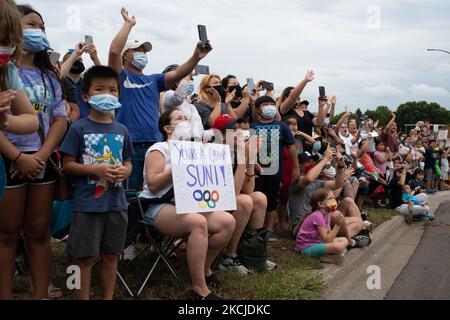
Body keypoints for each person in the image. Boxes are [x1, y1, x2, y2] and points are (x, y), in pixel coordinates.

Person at [0, 4, 67, 300]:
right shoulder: (6, 70)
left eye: (41, 27)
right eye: (30, 24)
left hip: (42, 161)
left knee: (40, 233)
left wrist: (39, 157)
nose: (37, 31)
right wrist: (16, 156)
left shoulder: (49, 75)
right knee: (7, 234)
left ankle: (40, 294)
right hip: (8, 160)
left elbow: (59, 118)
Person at [108, 7, 212, 191]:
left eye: (145, 52)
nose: (143, 55)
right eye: (138, 51)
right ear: (126, 56)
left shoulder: (154, 79)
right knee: (129, 194)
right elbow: (114, 52)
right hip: (128, 145)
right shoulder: (119, 77)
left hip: (156, 145)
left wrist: (196, 57)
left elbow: (180, 72)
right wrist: (128, 24)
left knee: (152, 192)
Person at [140, 108, 235, 300]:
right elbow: (153, 183)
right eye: (179, 118)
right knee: (198, 223)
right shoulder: (159, 148)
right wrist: (180, 162)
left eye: (186, 118)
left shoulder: (195, 149)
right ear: (168, 128)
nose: (185, 120)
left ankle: (204, 268)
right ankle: (199, 289)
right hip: (157, 205)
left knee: (227, 221)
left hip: (188, 204)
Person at [60, 66, 133, 300]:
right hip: (87, 205)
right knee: (83, 257)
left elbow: (129, 162)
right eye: (99, 89)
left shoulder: (122, 130)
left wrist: (125, 171)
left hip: (116, 204)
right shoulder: (78, 128)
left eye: (113, 90)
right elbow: (67, 165)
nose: (107, 94)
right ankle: (80, 295)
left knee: (112, 255)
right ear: (85, 95)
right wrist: (94, 169)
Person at [211, 114, 276, 274]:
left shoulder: (235, 152)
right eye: (234, 130)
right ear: (220, 135)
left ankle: (252, 254)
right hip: (212, 203)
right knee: (245, 201)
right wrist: (244, 156)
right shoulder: (215, 153)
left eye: (240, 129)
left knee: (259, 198)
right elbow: (231, 195)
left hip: (229, 199)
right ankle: (229, 256)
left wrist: (251, 159)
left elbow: (248, 189)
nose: (239, 133)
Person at [0, 0, 40, 203]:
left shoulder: (8, 72)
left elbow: (31, 121)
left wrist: (5, 122)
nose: (3, 48)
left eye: (7, 42)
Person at [252, 96, 300, 241]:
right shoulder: (252, 127)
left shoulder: (282, 126)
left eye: (272, 104)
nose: (270, 107)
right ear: (258, 109)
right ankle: (256, 227)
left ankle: (269, 229)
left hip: (274, 170)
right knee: (257, 197)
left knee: (272, 199)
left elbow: (291, 147)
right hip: (255, 171)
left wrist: (296, 167)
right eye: (266, 104)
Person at [295, 188, 348, 264]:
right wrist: (337, 226)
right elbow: (327, 240)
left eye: (333, 197)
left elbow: (330, 236)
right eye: (330, 199)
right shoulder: (317, 216)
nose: (334, 201)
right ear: (320, 204)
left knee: (344, 240)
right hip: (306, 248)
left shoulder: (327, 214)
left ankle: (327, 256)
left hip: (318, 242)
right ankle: (324, 257)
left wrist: (334, 241)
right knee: (337, 247)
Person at [161, 64, 206, 141]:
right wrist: (187, 74)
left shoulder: (191, 105)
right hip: (177, 142)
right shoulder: (168, 95)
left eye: (191, 79)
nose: (189, 82)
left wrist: (203, 138)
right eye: (183, 78)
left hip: (194, 144)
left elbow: (198, 127)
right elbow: (178, 98)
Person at [61, 41, 102, 120]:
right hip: (67, 125)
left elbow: (105, 79)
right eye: (74, 60)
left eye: (80, 59)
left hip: (87, 124)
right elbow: (58, 77)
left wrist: (94, 57)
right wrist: (75, 55)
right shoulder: (61, 83)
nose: (78, 62)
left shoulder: (88, 82)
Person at [279, 70, 326, 137]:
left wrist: (321, 106)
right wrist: (305, 81)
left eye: (298, 94)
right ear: (286, 97)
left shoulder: (306, 113)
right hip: (292, 146)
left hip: (308, 146)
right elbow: (292, 98)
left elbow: (319, 123)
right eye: (295, 93)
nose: (298, 96)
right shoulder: (284, 110)